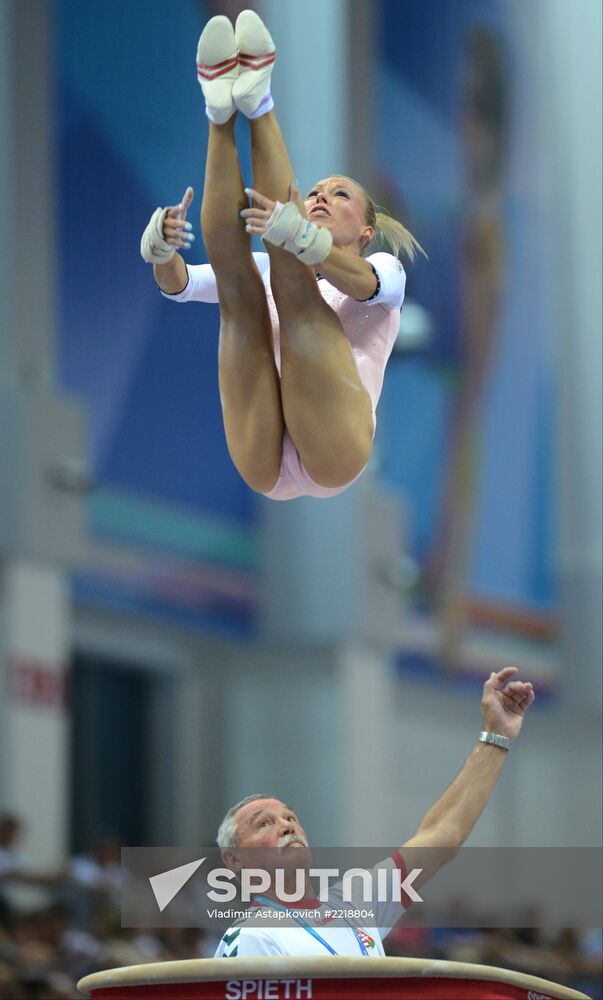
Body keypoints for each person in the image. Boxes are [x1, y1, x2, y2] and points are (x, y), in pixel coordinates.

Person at [140, 10, 424, 501]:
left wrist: (304, 242)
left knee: (291, 285)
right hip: (266, 452)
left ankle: (261, 103)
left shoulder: (386, 271)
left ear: (366, 230)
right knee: (239, 288)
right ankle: (221, 110)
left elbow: (362, 284)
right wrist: (162, 251)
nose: (320, 197)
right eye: (314, 191)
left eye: (340, 196)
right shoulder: (284, 259)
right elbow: (180, 285)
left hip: (336, 447)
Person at [213, 666, 534, 957]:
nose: (286, 826)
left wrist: (496, 735)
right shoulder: (249, 936)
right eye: (264, 823)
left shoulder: (356, 901)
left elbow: (441, 835)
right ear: (234, 859)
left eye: (291, 818)